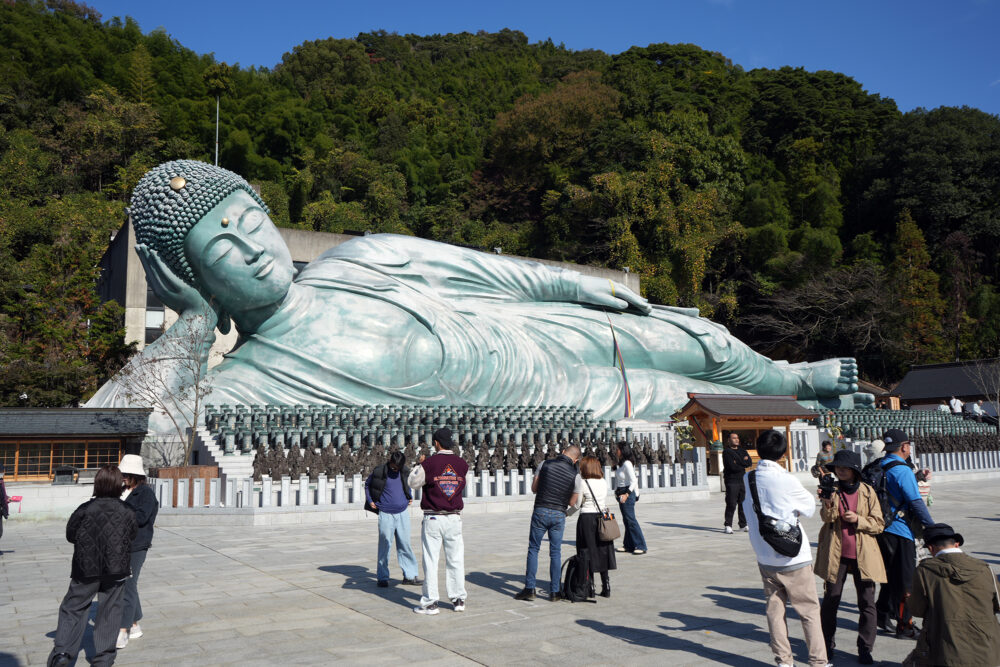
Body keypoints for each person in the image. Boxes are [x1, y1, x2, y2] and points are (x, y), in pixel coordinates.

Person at [87, 161, 867, 435]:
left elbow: (495, 273)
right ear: (194, 276)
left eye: (251, 221)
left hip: (531, 327)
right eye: (222, 247)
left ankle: (792, 376)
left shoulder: (362, 257)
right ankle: (795, 403)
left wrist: (576, 282)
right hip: (556, 401)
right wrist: (190, 322)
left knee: (698, 340)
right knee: (677, 394)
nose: (254, 245)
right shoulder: (249, 378)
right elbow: (120, 428)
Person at [743, 430, 829, 667]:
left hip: (765, 554)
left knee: (774, 610)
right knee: (809, 611)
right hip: (793, 556)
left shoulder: (748, 478)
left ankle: (784, 661)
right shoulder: (786, 479)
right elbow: (809, 508)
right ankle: (818, 661)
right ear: (783, 453)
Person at [48, 465, 137, 667]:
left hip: (85, 569)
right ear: (119, 485)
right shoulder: (127, 511)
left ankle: (63, 652)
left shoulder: (84, 509)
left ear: (97, 484)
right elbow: (132, 535)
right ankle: (103, 658)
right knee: (110, 611)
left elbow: (71, 535)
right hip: (116, 569)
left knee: (73, 608)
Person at [814, 450, 886, 665]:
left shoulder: (867, 491)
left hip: (864, 554)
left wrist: (858, 520)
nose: (840, 470)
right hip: (836, 554)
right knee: (830, 601)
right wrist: (826, 501)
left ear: (855, 470)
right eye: (837, 467)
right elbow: (826, 519)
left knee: (867, 602)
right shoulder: (832, 490)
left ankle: (865, 647)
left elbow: (879, 524)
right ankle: (826, 645)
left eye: (845, 467)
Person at [906, 523, 1000, 667]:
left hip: (944, 652)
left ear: (930, 548)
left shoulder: (924, 572)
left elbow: (917, 610)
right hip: (988, 652)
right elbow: (997, 605)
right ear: (956, 544)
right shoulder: (986, 569)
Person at [873, 429, 935, 639]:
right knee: (906, 581)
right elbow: (915, 502)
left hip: (881, 529)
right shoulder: (903, 470)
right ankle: (905, 625)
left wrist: (916, 476)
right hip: (900, 530)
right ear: (905, 446)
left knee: (891, 576)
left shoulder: (880, 465)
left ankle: (881, 613)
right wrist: (931, 527)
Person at [407, 428, 469, 615]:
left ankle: (430, 602)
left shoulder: (430, 463)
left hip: (434, 516)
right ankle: (458, 599)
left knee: (431, 560)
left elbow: (413, 482)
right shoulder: (461, 463)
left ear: (436, 443)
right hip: (454, 517)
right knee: (456, 560)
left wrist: (419, 465)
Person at [514, 443, 581, 601]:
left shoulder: (545, 464)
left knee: (533, 549)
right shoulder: (575, 474)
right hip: (559, 513)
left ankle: (530, 589)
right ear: (575, 459)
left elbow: (534, 488)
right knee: (555, 552)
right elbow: (573, 502)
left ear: (563, 452)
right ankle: (555, 592)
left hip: (541, 509)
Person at [115, 455, 158, 651]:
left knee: (127, 584)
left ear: (134, 475)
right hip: (120, 544)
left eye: (125, 474)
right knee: (128, 584)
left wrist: (120, 508)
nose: (122, 477)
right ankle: (134, 625)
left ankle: (122, 630)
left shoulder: (145, 494)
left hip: (137, 545)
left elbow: (141, 518)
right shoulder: (122, 491)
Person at [364, 451, 421, 588]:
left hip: (402, 513)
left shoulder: (404, 471)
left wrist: (409, 496)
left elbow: (408, 484)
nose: (396, 470)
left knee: (405, 545)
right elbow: (367, 485)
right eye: (394, 467)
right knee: (385, 545)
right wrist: (370, 500)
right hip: (386, 514)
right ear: (390, 461)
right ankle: (382, 577)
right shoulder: (379, 471)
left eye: (398, 467)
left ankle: (410, 575)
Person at [574, 455, 617, 599]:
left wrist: (566, 513)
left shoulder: (582, 481)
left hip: (587, 517)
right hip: (603, 517)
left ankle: (590, 587)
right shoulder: (603, 481)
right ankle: (606, 585)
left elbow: (578, 503)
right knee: (603, 551)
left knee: (587, 551)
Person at [613, 442, 647, 555]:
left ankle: (641, 545)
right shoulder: (621, 463)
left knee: (631, 520)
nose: (616, 451)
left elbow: (634, 481)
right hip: (621, 493)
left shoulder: (627, 463)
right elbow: (619, 480)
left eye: (617, 449)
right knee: (627, 520)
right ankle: (628, 545)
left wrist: (627, 494)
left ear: (622, 450)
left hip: (627, 493)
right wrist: (616, 492)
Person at [722, 432, 751, 534]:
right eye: (734, 438)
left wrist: (738, 461)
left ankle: (743, 524)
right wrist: (742, 462)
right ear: (729, 440)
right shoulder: (727, 452)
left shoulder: (743, 451)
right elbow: (732, 466)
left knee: (743, 503)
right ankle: (728, 525)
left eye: (737, 438)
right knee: (731, 503)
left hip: (742, 480)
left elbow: (749, 463)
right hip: (731, 480)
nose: (736, 440)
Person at [0, 464, 9, 552]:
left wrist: (7, 498)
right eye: (2, 471)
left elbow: (2, 495)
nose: (3, 473)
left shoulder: (1, 481)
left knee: (0, 532)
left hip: (1, 510)